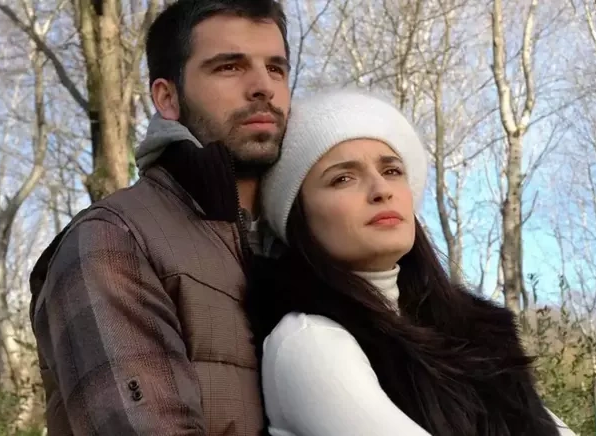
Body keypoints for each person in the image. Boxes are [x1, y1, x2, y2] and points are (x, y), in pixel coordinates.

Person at [245, 89, 576, 436]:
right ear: (297, 217)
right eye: (343, 178)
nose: (381, 190)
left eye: (391, 170)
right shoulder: (308, 342)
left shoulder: (472, 338)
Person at [28, 0, 289, 434]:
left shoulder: (304, 239)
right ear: (167, 98)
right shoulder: (114, 239)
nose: (263, 86)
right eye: (229, 67)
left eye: (276, 69)